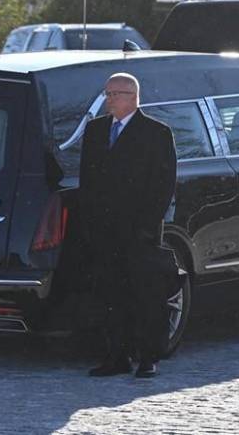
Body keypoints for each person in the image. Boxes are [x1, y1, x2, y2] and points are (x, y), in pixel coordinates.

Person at [79, 73, 177, 379]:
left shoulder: (155, 132)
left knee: (145, 296)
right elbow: (88, 180)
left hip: (139, 231)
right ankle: (116, 355)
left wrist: (147, 226)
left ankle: (148, 357)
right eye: (107, 94)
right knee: (111, 296)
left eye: (114, 94)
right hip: (104, 230)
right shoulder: (96, 131)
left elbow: (164, 184)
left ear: (132, 96)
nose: (109, 100)